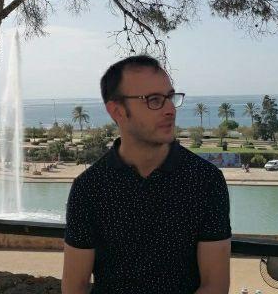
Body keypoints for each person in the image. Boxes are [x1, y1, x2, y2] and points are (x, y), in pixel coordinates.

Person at [62, 55, 231, 294]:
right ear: (117, 111)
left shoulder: (204, 180)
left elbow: (215, 285)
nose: (170, 109)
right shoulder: (89, 187)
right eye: (154, 100)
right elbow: (74, 287)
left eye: (170, 97)